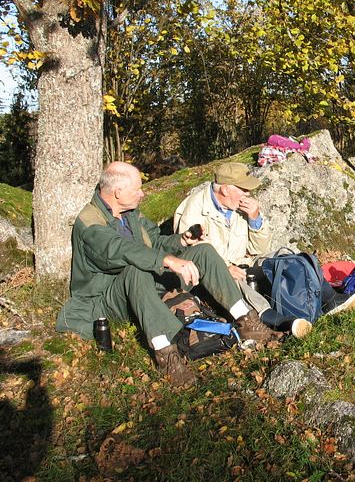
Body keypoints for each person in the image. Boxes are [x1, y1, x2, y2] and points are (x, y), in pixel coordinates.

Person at [56, 162, 277, 388]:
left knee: (204, 252)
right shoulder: (90, 222)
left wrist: (181, 241)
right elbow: (118, 250)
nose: (143, 194)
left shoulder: (130, 213)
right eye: (137, 190)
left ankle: (247, 321)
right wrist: (167, 260)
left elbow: (155, 241)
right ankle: (166, 354)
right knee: (135, 270)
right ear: (118, 193)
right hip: (109, 296)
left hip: (147, 284)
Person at [173, 163, 355, 336]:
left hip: (244, 262)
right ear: (225, 189)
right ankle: (280, 321)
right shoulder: (194, 210)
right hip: (214, 277)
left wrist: (255, 219)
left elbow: (260, 248)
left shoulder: (237, 206)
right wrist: (224, 268)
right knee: (236, 280)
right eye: (243, 189)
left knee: (285, 255)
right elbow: (191, 257)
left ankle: (330, 299)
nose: (247, 194)